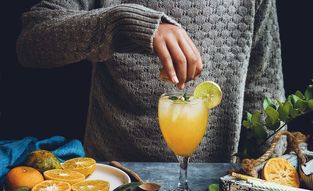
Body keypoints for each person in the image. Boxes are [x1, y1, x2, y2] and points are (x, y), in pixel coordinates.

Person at [17, 0, 285, 162]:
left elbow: (262, 87)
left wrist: (273, 167)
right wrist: (122, 23)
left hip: (214, 186)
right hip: (114, 182)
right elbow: (31, 44)